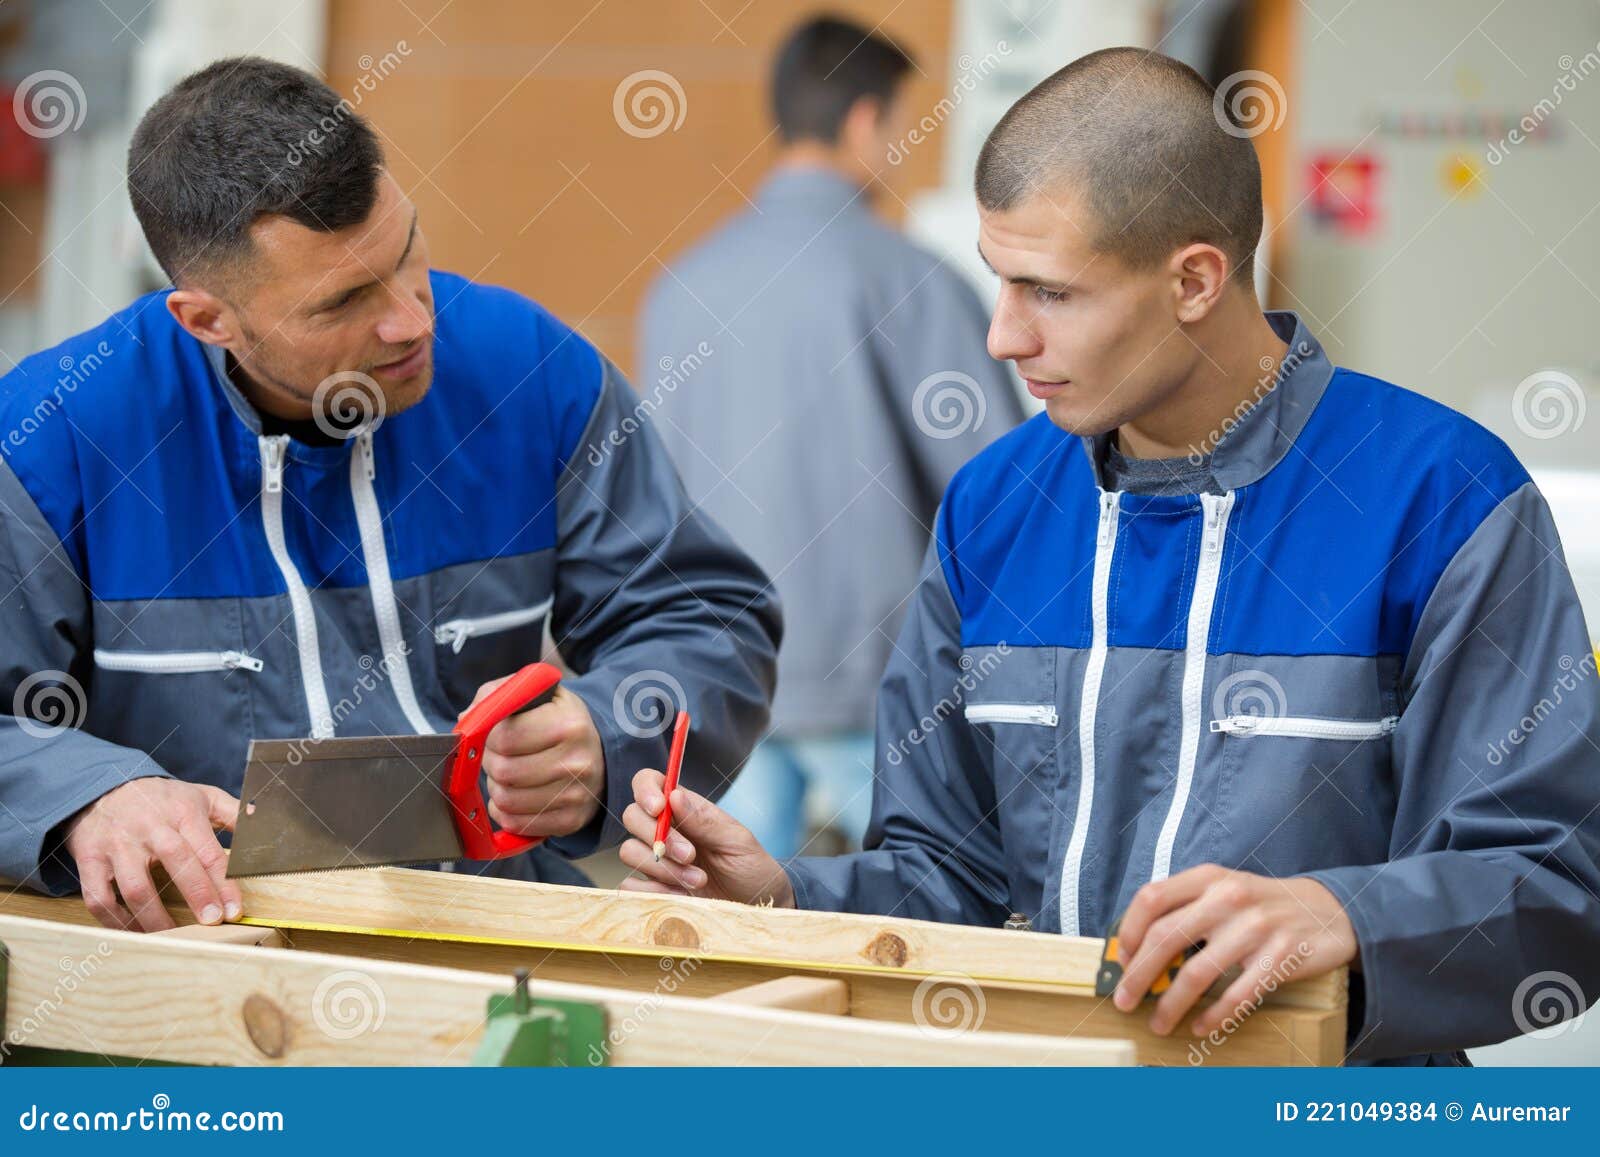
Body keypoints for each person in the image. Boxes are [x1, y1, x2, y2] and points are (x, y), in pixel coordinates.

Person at [616, 48, 1600, 1064]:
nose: (1002, 336)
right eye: (999, 283)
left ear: (1193, 279)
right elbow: (949, 876)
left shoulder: (1441, 500)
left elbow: (1561, 882)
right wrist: (786, 893)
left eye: (1047, 292)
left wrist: (1346, 917)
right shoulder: (990, 510)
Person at [0, 57, 780, 931]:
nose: (411, 319)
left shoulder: (531, 373)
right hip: (188, 989)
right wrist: (85, 794)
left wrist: (605, 735)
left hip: (493, 952)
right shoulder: (49, 441)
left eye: (407, 250)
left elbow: (706, 617)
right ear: (206, 319)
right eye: (342, 302)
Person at [639, 16, 1022, 858]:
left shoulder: (679, 289)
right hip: (875, 686)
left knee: (727, 934)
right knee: (920, 917)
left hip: (721, 680)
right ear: (864, 123)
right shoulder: (910, 279)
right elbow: (1003, 491)